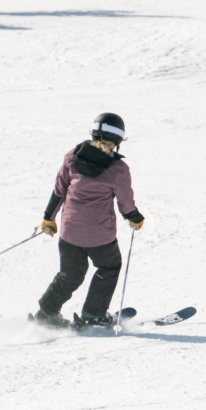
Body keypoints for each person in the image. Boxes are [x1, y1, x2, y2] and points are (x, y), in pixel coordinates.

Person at [32, 112, 145, 329]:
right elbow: (125, 203)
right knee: (109, 267)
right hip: (100, 236)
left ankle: (46, 313)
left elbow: (59, 191)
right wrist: (134, 217)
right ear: (119, 140)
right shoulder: (118, 169)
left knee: (70, 275)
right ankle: (93, 314)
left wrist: (48, 218)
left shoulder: (71, 157)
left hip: (69, 233)